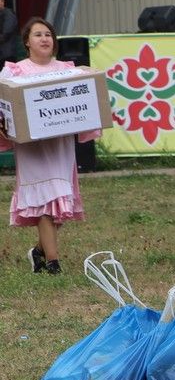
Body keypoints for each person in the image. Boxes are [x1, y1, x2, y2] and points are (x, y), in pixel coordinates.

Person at [0, 18, 102, 275]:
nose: (45, 38)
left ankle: (38, 251)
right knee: (46, 203)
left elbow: (89, 90)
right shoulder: (14, 72)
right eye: (38, 34)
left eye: (48, 34)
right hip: (32, 150)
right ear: (27, 42)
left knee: (60, 205)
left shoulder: (68, 70)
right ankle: (53, 263)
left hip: (59, 147)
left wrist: (90, 74)